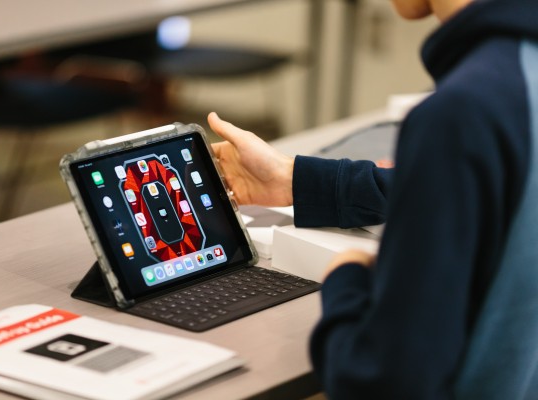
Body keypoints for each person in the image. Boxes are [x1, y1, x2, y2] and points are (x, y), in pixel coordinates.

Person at [207, 0, 538, 397]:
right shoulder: (517, 80)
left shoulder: (462, 113)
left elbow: (383, 380)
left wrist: (346, 282)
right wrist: (294, 180)